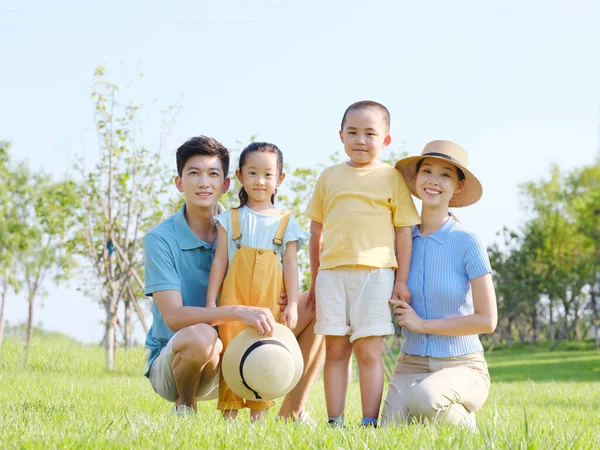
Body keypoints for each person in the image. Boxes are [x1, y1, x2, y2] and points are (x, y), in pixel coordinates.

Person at [143, 136, 323, 423]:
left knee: (319, 304)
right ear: (179, 183)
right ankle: (185, 407)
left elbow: (285, 263)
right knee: (202, 335)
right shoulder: (160, 239)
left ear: (226, 184)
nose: (204, 182)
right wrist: (240, 312)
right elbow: (175, 318)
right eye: (194, 173)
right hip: (186, 360)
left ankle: (293, 411)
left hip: (241, 352)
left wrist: (286, 297)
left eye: (213, 174)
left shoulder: (245, 224)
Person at [305, 101, 421, 428]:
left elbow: (404, 232)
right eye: (353, 132)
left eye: (370, 134)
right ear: (341, 135)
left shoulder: (392, 178)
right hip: (332, 275)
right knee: (336, 352)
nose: (360, 140)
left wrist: (401, 280)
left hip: (377, 274)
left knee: (369, 353)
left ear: (385, 140)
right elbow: (316, 230)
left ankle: (369, 422)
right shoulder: (329, 177)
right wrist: (315, 279)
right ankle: (335, 422)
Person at [381, 140, 497, 429]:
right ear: (416, 179)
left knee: (424, 400)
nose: (434, 181)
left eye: (445, 174)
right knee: (390, 432)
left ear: (458, 186)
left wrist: (422, 324)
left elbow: (487, 320)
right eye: (427, 171)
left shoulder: (466, 241)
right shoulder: (400, 237)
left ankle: (468, 431)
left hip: (463, 364)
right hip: (411, 362)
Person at [206, 142, 309, 421]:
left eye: (267, 174)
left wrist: (293, 305)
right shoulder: (231, 218)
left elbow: (290, 265)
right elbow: (219, 262)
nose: (260, 181)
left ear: (280, 179)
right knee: (232, 353)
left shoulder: (286, 221)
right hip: (233, 301)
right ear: (240, 176)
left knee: (264, 354)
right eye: (252, 173)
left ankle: (258, 423)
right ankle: (228, 419)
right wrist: (210, 303)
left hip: (269, 300)